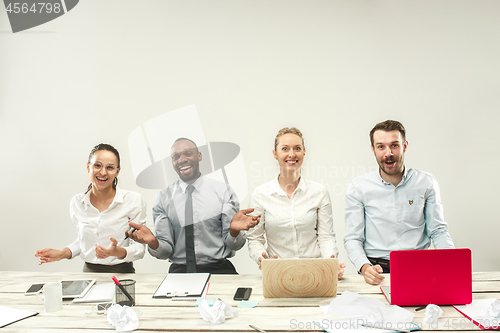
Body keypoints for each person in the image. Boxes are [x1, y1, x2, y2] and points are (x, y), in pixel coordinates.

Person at [344, 120, 455, 285]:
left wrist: (452, 263)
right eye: (381, 146)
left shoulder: (426, 182)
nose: (388, 153)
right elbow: (353, 238)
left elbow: (438, 230)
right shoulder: (358, 187)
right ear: (373, 150)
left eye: (394, 145)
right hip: (377, 270)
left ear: (405, 146)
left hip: (420, 267)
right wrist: (365, 267)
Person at [126, 138, 260, 274]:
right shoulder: (163, 198)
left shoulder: (223, 191)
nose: (182, 160)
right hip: (180, 271)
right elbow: (164, 252)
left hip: (218, 269)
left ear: (199, 156)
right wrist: (154, 242)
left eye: (188, 153)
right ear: (172, 162)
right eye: (176, 157)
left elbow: (235, 245)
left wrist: (233, 231)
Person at [247, 127, 345, 279]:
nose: (291, 154)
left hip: (315, 272)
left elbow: (326, 237)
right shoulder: (260, 195)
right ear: (275, 153)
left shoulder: (319, 192)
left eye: (297, 148)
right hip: (277, 273)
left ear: (304, 152)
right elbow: (255, 238)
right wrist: (262, 258)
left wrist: (330, 262)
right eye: (285, 149)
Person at [35, 143, 147, 273]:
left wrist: (117, 252)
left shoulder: (133, 201)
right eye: (97, 165)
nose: (103, 172)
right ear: (88, 167)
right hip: (89, 274)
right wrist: (62, 253)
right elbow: (83, 241)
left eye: (110, 167)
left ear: (117, 171)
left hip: (122, 275)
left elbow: (139, 248)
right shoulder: (77, 202)